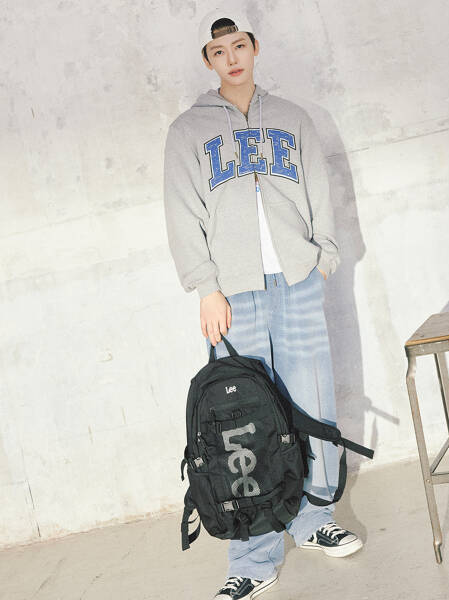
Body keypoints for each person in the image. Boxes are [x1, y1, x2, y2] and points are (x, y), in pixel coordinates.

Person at [163, 5, 363, 599]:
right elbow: (182, 212)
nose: (231, 59)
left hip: (296, 280)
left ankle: (316, 517)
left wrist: (324, 254)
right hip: (232, 293)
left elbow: (319, 186)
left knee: (312, 401)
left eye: (239, 46)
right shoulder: (188, 131)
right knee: (241, 419)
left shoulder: (293, 118)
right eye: (218, 51)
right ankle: (252, 557)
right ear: (208, 60)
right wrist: (206, 287)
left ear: (254, 48)